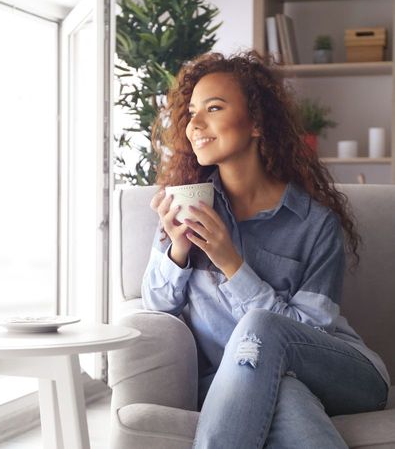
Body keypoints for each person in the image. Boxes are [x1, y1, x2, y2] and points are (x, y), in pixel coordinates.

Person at [141, 50, 390, 449]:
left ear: (256, 122)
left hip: (344, 373)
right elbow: (155, 309)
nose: (194, 124)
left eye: (214, 108)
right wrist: (178, 250)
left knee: (261, 327)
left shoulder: (314, 223)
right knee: (285, 395)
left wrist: (232, 264)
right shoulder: (191, 205)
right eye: (190, 112)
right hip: (244, 382)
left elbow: (307, 335)